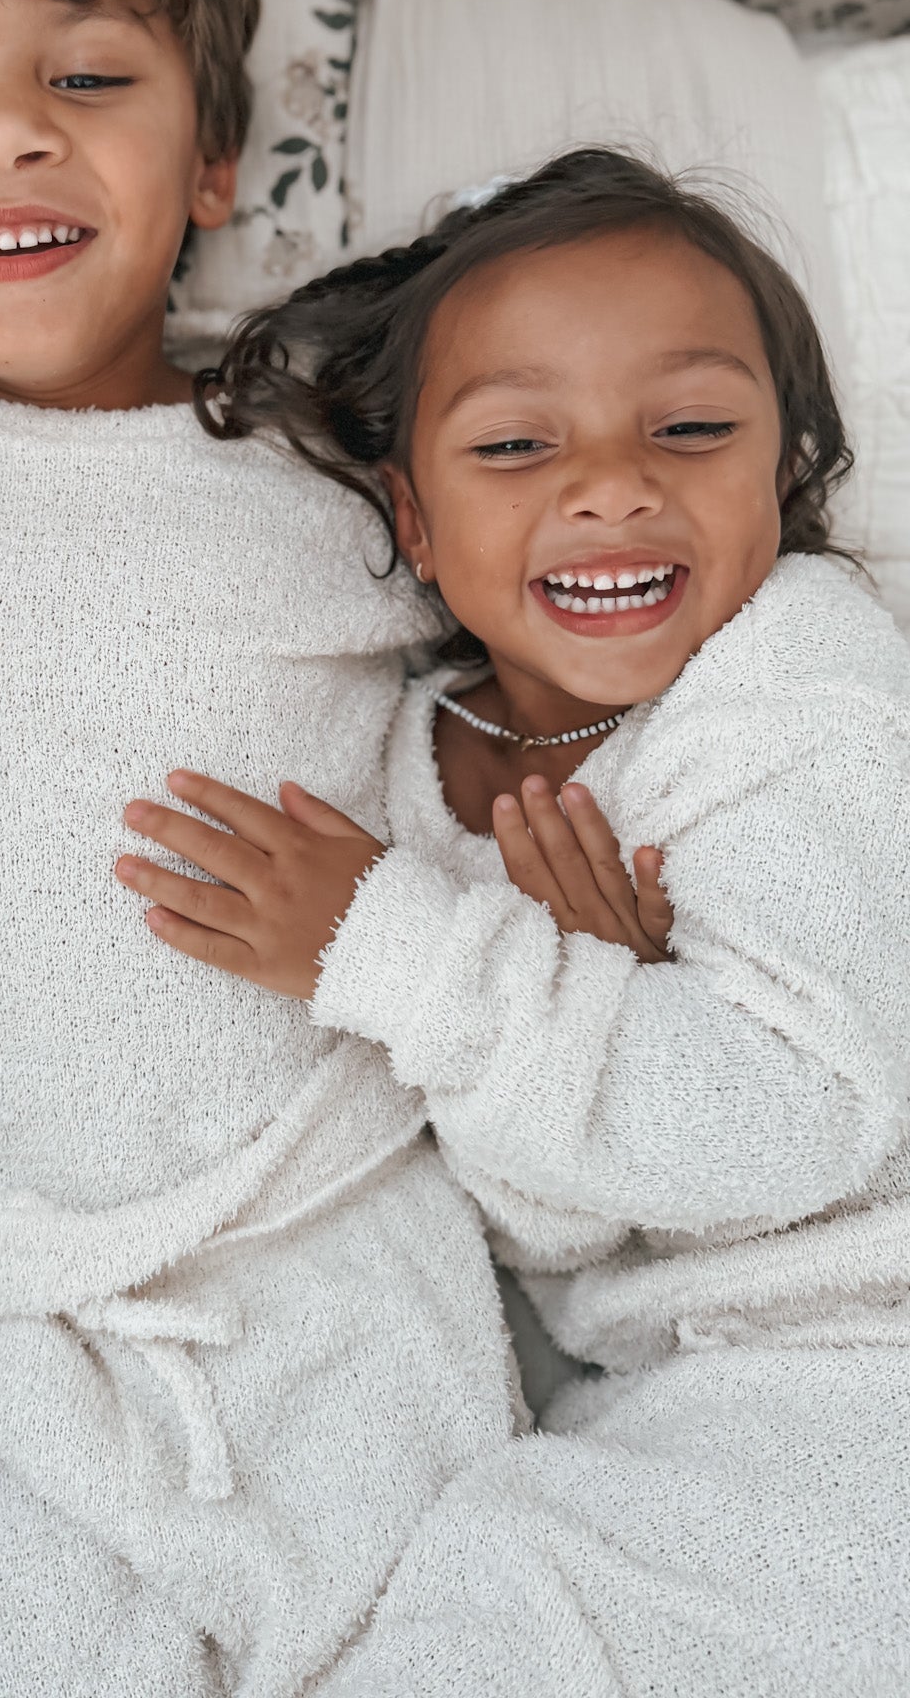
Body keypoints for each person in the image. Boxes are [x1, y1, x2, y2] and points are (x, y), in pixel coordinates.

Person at [0, 0, 519, 1695]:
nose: (3, 134)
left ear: (212, 162)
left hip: (333, 1248)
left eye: (88, 78)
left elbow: (526, 665)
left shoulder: (331, 456)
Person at [119, 147, 910, 1695]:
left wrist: (398, 955)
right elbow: (555, 1220)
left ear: (787, 468)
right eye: (516, 445)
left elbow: (792, 1123)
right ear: (414, 522)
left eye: (692, 429)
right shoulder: (404, 769)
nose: (611, 486)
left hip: (864, 1353)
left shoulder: (801, 686)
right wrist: (587, 994)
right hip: (668, 1391)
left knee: (512, 1594)